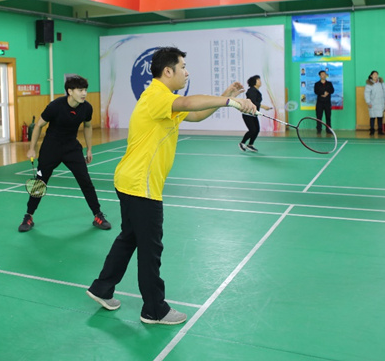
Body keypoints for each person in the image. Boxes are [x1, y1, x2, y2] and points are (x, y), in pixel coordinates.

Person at [87, 47, 256, 326]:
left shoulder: (164, 100)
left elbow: (196, 114)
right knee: (150, 248)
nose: (187, 72)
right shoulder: (157, 96)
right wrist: (231, 101)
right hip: (141, 185)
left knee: (129, 237)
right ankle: (154, 310)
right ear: (168, 71)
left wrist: (226, 96)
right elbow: (189, 103)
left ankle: (102, 288)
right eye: (183, 67)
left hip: (130, 180)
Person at [18, 75, 111, 233]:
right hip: (51, 148)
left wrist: (89, 149)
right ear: (70, 91)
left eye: (85, 90)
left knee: (85, 181)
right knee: (40, 183)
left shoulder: (86, 108)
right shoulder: (55, 106)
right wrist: (32, 148)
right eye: (80, 90)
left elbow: (87, 126)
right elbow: (39, 125)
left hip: (71, 148)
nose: (84, 93)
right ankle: (28, 216)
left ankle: (98, 215)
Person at [238, 75, 272, 152]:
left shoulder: (256, 91)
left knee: (257, 130)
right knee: (252, 130)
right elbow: (253, 102)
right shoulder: (251, 90)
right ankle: (242, 143)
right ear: (254, 82)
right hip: (247, 113)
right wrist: (264, 107)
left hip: (253, 113)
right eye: (258, 80)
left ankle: (250, 145)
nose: (260, 81)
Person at [364, 70, 385, 135]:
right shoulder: (369, 84)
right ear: (371, 76)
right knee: (372, 117)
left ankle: (380, 130)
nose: (375, 76)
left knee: (380, 117)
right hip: (373, 104)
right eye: (374, 74)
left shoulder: (381, 83)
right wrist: (368, 102)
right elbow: (367, 94)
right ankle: (372, 130)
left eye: (376, 74)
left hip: (381, 103)